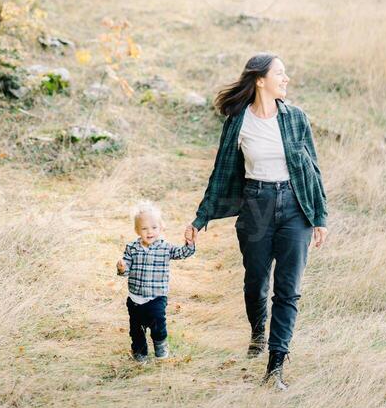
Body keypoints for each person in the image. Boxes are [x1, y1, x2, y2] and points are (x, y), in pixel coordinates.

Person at [184, 53, 328, 389]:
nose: (286, 78)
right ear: (260, 79)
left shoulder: (296, 118)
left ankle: (275, 366)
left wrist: (319, 216)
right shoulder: (238, 121)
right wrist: (201, 217)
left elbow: (313, 168)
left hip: (296, 207)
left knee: (288, 290)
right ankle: (257, 332)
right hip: (257, 205)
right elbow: (221, 171)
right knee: (256, 279)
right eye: (280, 73)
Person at [117, 200, 195, 364]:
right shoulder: (131, 247)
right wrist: (122, 268)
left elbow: (182, 253)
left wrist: (189, 243)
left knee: (157, 324)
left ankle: (160, 345)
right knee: (136, 328)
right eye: (144, 228)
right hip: (135, 298)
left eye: (154, 227)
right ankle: (140, 353)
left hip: (157, 296)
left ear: (161, 228)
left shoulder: (165, 247)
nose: (149, 232)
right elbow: (126, 268)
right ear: (137, 230)